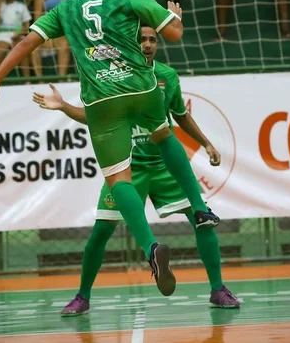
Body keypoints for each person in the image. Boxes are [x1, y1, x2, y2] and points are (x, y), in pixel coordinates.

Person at [0, 0, 220, 297]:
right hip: (141, 86)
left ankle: (151, 247)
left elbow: (28, 42)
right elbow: (175, 34)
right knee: (164, 133)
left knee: (119, 179)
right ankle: (199, 208)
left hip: (101, 98)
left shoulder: (68, 6)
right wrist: (173, 16)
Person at [32, 24, 241, 315]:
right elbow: (96, 118)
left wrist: (206, 143)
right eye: (141, 39)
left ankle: (218, 289)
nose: (147, 44)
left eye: (152, 40)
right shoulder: (113, 76)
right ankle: (82, 296)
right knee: (100, 234)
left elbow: (181, 116)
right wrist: (65, 106)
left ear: (158, 44)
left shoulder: (167, 76)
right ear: (131, 42)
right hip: (127, 169)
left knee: (202, 218)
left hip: (164, 166)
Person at [29, 0, 81, 78]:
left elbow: (78, 14)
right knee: (34, 46)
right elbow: (37, 16)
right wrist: (46, 36)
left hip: (69, 30)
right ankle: (39, 80)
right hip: (49, 30)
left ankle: (61, 79)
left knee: (64, 44)